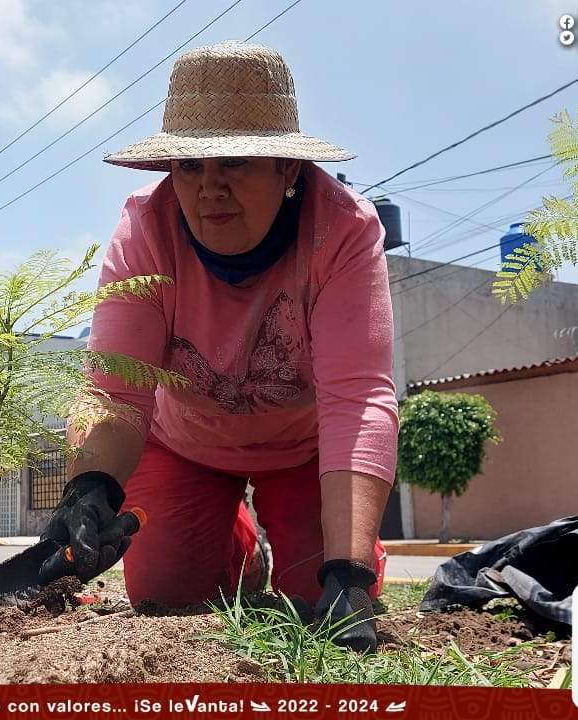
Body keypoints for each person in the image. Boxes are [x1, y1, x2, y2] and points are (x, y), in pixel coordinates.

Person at [41, 40, 398, 654]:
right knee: (166, 593)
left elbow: (357, 397)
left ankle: (319, 556)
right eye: (189, 166)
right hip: (186, 448)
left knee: (320, 600)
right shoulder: (144, 234)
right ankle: (238, 547)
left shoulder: (342, 231)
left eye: (234, 162)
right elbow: (115, 389)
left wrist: (349, 571)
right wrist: (91, 488)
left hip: (306, 451)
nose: (209, 188)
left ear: (288, 169)